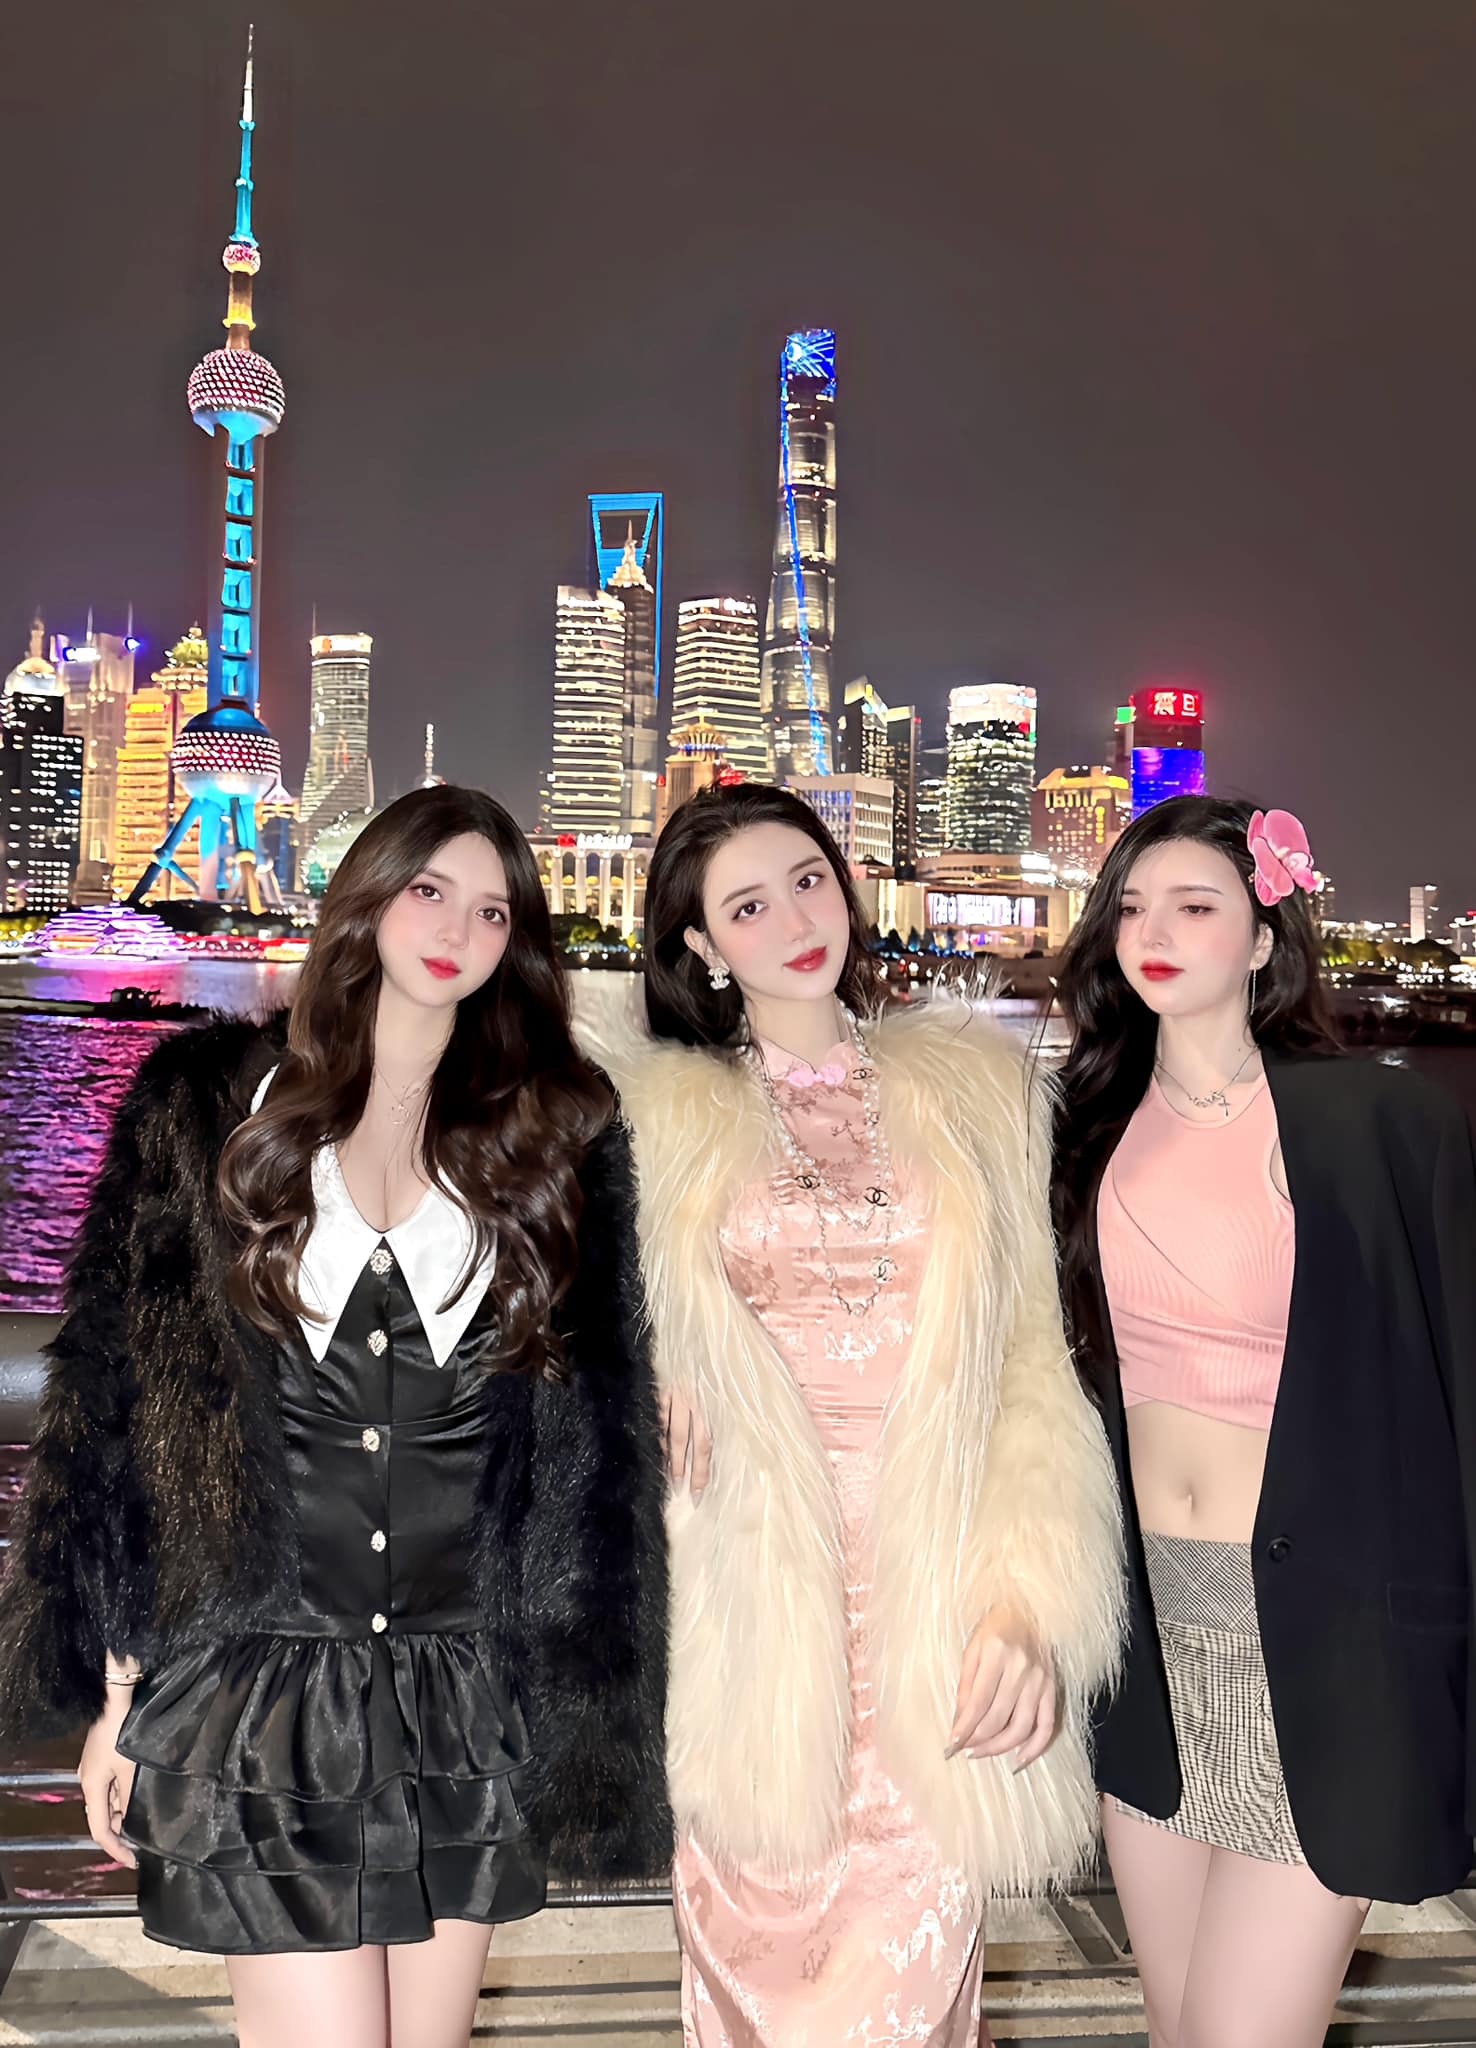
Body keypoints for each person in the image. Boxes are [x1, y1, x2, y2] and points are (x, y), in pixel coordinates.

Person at [0, 786, 669, 2048]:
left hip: (463, 1688)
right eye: (430, 889)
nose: (458, 928)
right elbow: (126, 1415)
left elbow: (595, 1433)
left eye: (493, 909)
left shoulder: (555, 1134)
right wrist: (119, 1689)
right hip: (260, 1681)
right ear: (366, 896)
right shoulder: (208, 1105)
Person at [612, 782, 1124, 2046]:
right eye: (746, 905)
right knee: (754, 1983)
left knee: (908, 1992)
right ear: (698, 942)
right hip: (742, 1617)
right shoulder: (648, 1119)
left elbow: (1035, 1369)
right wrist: (641, 1358)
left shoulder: (981, 1092)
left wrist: (1030, 1600)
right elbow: (550, 1319)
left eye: (808, 881)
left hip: (937, 1612)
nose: (794, 920)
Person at [1053, 794, 1476, 2048]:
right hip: (1148, 1647)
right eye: (1132, 906)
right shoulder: (1079, 1128)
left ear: (1263, 934)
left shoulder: (1376, 1122)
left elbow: (1456, 1381)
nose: (1154, 932)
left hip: (1328, 1648)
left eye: (1195, 905)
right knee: (1176, 2025)